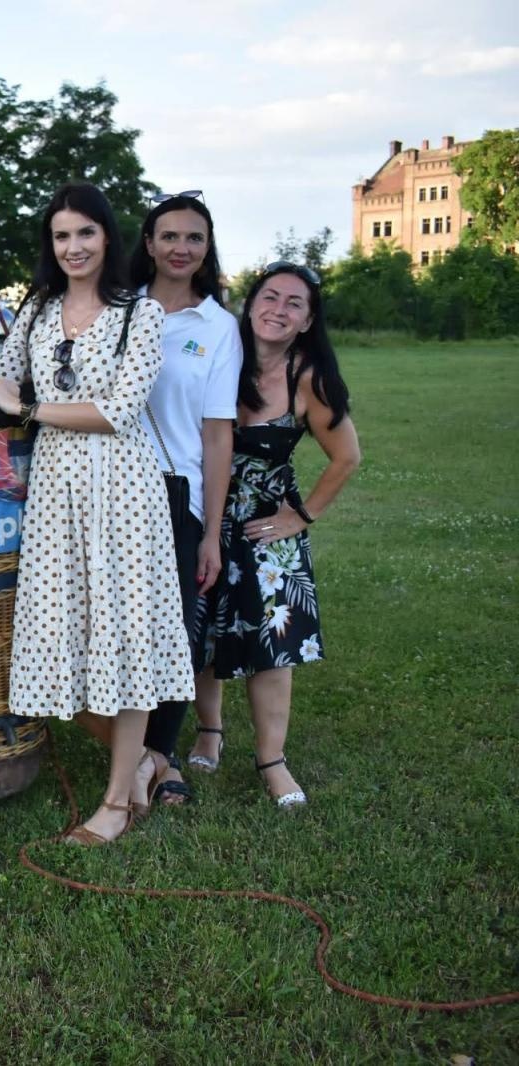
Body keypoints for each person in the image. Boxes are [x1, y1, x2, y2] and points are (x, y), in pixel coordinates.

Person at [0, 182, 193, 845]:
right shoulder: (38, 310)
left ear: (108, 238)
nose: (73, 247)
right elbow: (4, 377)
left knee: (123, 636)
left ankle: (116, 804)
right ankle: (147, 764)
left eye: (86, 233)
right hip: (55, 494)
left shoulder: (142, 313)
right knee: (61, 635)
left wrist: (27, 410)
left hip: (122, 493)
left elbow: (116, 412)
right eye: (61, 235)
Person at [197, 262, 361, 807]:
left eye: (295, 303)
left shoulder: (307, 378)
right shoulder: (223, 355)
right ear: (251, 303)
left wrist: (303, 515)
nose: (279, 309)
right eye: (270, 296)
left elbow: (346, 457)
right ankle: (209, 731)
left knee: (272, 646)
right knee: (202, 633)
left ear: (308, 320)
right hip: (202, 515)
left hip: (266, 527)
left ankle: (272, 761)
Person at [121, 192, 242, 806]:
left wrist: (212, 529)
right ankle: (132, 750)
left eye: (193, 238)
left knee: (177, 635)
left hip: (177, 495)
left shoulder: (217, 327)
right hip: (110, 488)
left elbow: (218, 432)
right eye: (169, 236)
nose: (181, 248)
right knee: (117, 625)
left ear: (206, 247)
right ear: (148, 243)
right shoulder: (117, 310)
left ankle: (159, 758)